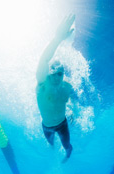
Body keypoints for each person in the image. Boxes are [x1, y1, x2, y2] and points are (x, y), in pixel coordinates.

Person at [36, 14, 76, 163]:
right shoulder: (42, 84)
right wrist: (58, 38)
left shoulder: (66, 86)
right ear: (48, 71)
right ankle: (52, 156)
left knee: (67, 146)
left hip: (62, 124)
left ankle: (67, 155)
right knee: (51, 144)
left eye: (60, 73)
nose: (56, 76)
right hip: (46, 126)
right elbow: (44, 59)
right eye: (53, 71)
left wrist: (71, 110)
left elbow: (70, 99)